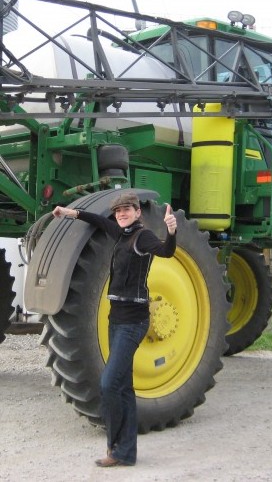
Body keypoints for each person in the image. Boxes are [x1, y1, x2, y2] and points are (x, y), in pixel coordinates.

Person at [52, 192, 177, 467]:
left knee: (109, 384)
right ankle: (126, 452)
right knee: (123, 386)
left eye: (127, 209)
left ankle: (115, 449)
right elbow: (98, 220)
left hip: (134, 322)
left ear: (137, 212)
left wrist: (171, 231)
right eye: (118, 211)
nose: (121, 214)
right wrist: (70, 213)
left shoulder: (142, 237)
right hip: (116, 319)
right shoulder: (120, 233)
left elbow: (166, 251)